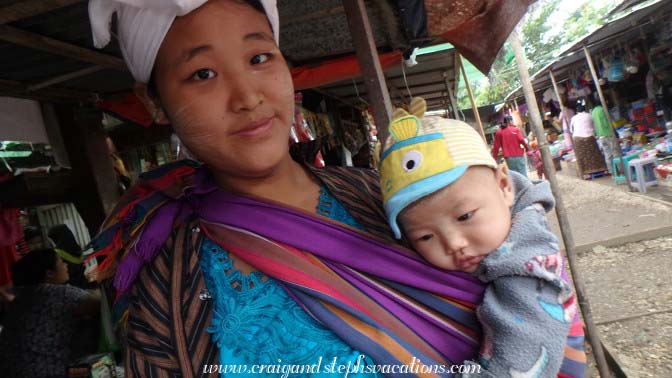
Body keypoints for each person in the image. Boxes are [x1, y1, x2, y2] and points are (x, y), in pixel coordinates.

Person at [86, 1, 508, 376]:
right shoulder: (168, 273)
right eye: (203, 73)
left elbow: (519, 286)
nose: (248, 97)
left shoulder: (386, 196)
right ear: (154, 102)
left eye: (259, 57)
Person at [379, 109, 583, 377]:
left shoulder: (527, 261)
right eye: (425, 237)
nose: (453, 244)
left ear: (504, 186)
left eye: (464, 216)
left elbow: (525, 349)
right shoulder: (499, 231)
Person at [0, 248, 100, 377]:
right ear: (50, 273)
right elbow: (100, 303)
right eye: (61, 262)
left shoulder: (20, 297)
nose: (66, 264)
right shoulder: (56, 293)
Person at [570, 104, 607, 177]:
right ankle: (600, 169)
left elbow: (571, 130)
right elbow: (594, 126)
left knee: (582, 156)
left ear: (577, 111)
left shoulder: (574, 118)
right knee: (594, 154)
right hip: (589, 137)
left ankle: (586, 173)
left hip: (578, 138)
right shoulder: (589, 115)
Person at [592, 103, 618, 175]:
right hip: (608, 133)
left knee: (607, 155)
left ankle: (612, 172)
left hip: (600, 136)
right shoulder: (603, 110)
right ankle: (620, 171)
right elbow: (606, 123)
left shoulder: (593, 112)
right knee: (615, 153)